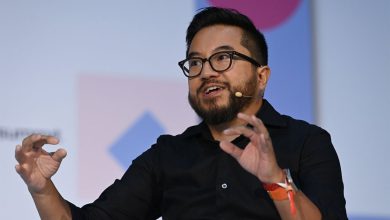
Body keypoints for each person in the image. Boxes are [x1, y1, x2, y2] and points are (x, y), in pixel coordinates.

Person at [15, 7, 347, 220]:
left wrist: (275, 179)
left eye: (223, 58)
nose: (207, 72)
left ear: (261, 77)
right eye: (196, 62)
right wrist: (42, 189)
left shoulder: (307, 142)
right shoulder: (168, 155)